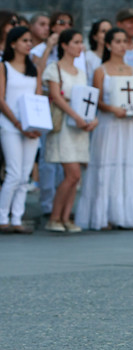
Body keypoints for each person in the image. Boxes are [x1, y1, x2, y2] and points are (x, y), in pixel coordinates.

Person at [74, 27, 133, 230]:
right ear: (108, 45)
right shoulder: (101, 70)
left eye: (125, 41)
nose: (122, 46)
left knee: (127, 164)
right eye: (117, 41)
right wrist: (112, 108)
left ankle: (126, 215)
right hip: (109, 124)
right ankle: (102, 215)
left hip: (128, 125)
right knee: (106, 163)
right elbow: (96, 101)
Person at [43, 29, 98, 233]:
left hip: (79, 126)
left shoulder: (81, 73)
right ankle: (55, 217)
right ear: (64, 45)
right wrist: (76, 116)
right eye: (75, 42)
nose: (79, 46)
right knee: (71, 173)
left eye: (80, 42)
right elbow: (56, 97)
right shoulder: (54, 68)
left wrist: (91, 119)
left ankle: (66, 217)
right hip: (66, 124)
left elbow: (86, 99)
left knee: (76, 176)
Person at [0, 26, 41, 234]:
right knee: (14, 173)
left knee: (25, 175)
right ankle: (2, 216)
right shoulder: (4, 67)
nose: (28, 44)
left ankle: (17, 218)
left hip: (31, 126)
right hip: (11, 125)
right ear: (13, 43)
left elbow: (39, 98)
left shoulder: (34, 68)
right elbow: (1, 98)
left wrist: (38, 125)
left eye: (30, 41)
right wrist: (17, 123)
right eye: (24, 40)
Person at [85, 19, 112, 85]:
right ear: (95, 36)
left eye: (109, 31)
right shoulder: (88, 57)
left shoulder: (117, 56)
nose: (107, 35)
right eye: (103, 31)